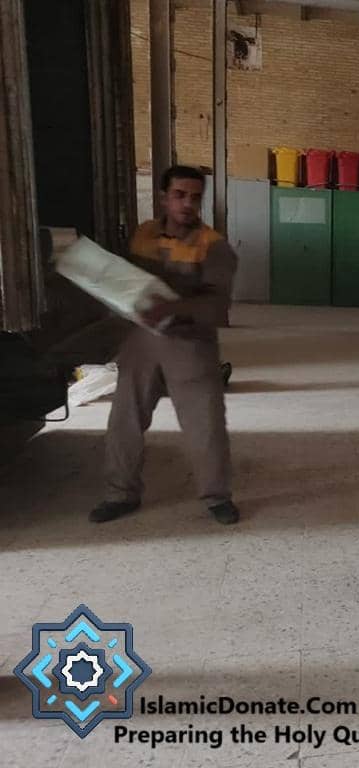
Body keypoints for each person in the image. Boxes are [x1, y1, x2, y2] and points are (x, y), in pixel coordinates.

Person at [90, 165, 239, 525]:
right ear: (163, 197)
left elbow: (217, 306)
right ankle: (120, 494)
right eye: (179, 195)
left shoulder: (214, 247)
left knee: (205, 424)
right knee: (125, 417)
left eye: (195, 197)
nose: (188, 204)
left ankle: (216, 497)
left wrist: (173, 307)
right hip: (141, 339)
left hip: (190, 344)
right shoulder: (143, 235)